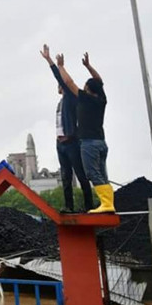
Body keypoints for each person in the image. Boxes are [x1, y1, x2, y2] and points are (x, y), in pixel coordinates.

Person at [55, 51, 114, 214]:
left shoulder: (84, 98)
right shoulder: (101, 99)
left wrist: (60, 66)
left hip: (89, 143)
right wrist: (88, 66)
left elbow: (69, 81)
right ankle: (108, 203)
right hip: (101, 142)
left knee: (91, 173)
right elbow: (99, 82)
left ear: (87, 90)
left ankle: (107, 204)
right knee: (102, 174)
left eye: (85, 87)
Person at [40, 44, 95, 213]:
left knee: (80, 174)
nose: (59, 86)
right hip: (61, 144)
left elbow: (61, 78)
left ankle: (88, 206)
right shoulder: (60, 103)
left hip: (71, 142)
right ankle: (69, 206)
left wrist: (51, 61)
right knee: (65, 176)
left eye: (60, 84)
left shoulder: (71, 98)